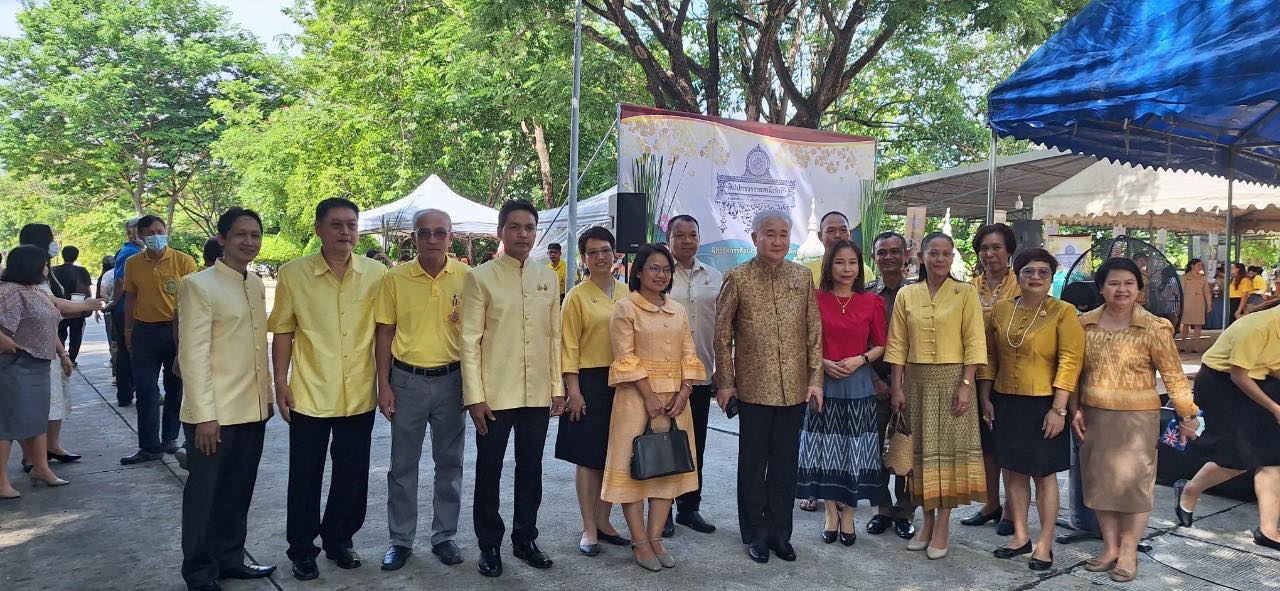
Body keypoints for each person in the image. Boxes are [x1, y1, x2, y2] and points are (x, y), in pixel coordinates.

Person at [269, 198, 386, 580]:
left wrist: (384, 384)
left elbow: (384, 332)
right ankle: (302, 549)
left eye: (352, 225)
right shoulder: (293, 274)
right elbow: (283, 332)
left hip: (359, 391)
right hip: (310, 390)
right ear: (318, 228)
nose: (346, 232)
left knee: (352, 473)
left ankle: (340, 540)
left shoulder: (376, 274)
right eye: (337, 225)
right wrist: (280, 382)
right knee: (305, 474)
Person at [1071, 257, 1199, 583]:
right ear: (1101, 288)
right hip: (1094, 415)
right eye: (1113, 283)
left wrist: (1187, 414)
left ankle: (1129, 549)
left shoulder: (1154, 327)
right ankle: (1110, 547)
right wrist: (1073, 409)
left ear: (1139, 289)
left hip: (1137, 418)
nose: (1121, 289)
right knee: (1100, 485)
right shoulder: (1083, 324)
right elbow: (1072, 372)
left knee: (1134, 487)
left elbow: (1173, 374)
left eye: (1129, 283)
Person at [714, 209, 823, 564]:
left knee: (785, 466)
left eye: (783, 234)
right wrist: (725, 384)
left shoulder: (802, 277)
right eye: (770, 234)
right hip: (753, 388)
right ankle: (756, 533)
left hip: (793, 388)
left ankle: (780, 533)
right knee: (752, 464)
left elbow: (814, 335)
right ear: (755, 237)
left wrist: (815, 381)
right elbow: (722, 336)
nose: (778, 241)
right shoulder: (738, 277)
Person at [461, 199, 562, 577]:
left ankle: (525, 538)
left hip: (536, 393)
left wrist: (556, 388)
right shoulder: (481, 276)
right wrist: (475, 397)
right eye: (515, 227)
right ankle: (489, 544)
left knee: (530, 468)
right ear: (501, 232)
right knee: (489, 469)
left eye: (529, 227)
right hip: (494, 396)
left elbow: (554, 336)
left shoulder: (547, 276)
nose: (523, 234)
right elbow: (469, 341)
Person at [177, 208, 276, 591]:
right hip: (214, 414)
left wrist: (265, 400)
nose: (249, 242)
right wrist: (204, 416)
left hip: (251, 410)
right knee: (205, 496)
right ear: (222, 239)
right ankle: (200, 572)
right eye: (241, 235)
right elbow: (193, 355)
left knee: (238, 490)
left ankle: (231, 558)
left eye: (255, 235)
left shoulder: (252, 284)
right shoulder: (198, 285)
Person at [977, 248, 1084, 571]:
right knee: (1012, 471)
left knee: (1044, 476)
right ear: (1017, 274)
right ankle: (1020, 536)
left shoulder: (1063, 312)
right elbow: (991, 358)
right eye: (1028, 271)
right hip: (1006, 401)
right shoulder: (1000, 310)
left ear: (1051, 277)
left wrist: (1059, 409)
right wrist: (985, 398)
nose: (1035, 277)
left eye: (1042, 272)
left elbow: (1070, 361)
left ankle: (1044, 544)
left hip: (1045, 403)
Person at [600, 243, 704, 571]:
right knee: (635, 472)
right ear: (639, 272)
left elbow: (690, 352)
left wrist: (684, 392)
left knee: (667, 470)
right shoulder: (626, 308)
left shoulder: (677, 309)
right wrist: (648, 395)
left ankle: (656, 537)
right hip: (635, 400)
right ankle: (639, 540)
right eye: (654, 268)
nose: (661, 274)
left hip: (675, 402)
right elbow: (624, 356)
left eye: (666, 269)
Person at [374, 209, 469, 571]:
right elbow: (384, 334)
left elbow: (477, 336)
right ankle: (400, 540)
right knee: (402, 465)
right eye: (424, 233)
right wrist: (383, 385)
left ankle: (444, 535)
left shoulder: (467, 277)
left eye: (439, 233)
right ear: (413, 236)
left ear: (451, 236)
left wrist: (472, 387)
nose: (432, 239)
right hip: (407, 381)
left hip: (453, 382)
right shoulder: (394, 279)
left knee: (449, 463)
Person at [885, 232, 987, 559]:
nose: (940, 259)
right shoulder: (907, 294)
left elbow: (974, 340)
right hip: (915, 383)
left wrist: (966, 385)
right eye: (934, 253)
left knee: (947, 455)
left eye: (946, 253)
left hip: (953, 381)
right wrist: (897, 387)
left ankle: (943, 524)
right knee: (921, 456)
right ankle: (925, 521)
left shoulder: (965, 292)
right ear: (921, 256)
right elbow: (897, 344)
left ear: (952, 256)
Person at [796, 239, 887, 546]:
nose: (847, 269)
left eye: (852, 263)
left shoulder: (871, 302)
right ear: (829, 266)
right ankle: (830, 513)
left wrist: (860, 359)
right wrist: (822, 362)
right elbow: (803, 340)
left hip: (858, 384)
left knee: (853, 453)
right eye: (839, 262)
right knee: (824, 450)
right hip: (822, 385)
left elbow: (880, 345)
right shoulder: (815, 299)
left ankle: (848, 513)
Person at [1176, 304, 1280, 551]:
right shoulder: (1259, 326)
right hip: (1222, 384)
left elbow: (1274, 367)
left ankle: (1268, 530)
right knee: (1238, 457)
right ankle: (1189, 490)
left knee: (1273, 456)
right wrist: (1275, 408)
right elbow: (1239, 375)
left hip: (1260, 379)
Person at [553, 226, 630, 556]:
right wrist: (574, 390)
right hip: (588, 382)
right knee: (588, 458)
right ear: (583, 259)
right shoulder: (576, 297)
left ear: (615, 254)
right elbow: (567, 345)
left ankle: (604, 520)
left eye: (605, 250)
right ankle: (588, 527)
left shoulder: (628, 292)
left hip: (624, 382)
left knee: (615, 455)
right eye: (593, 252)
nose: (600, 256)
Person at [119, 215, 197, 465]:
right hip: (144, 332)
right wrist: (128, 331)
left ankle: (170, 438)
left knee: (175, 387)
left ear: (166, 232)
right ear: (140, 236)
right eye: (150, 232)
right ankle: (149, 446)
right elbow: (130, 298)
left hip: (175, 331)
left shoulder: (183, 261)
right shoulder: (133, 263)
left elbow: (194, 301)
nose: (155, 236)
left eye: (159, 230)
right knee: (146, 390)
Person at [18, 225, 97, 467]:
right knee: (34, 405)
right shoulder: (27, 279)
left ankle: (46, 449)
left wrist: (62, 353)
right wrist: (87, 305)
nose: (55, 245)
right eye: (52, 239)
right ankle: (34, 457)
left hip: (48, 345)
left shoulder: (42, 273)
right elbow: (54, 305)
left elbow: (50, 315)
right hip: (30, 353)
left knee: (53, 399)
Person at [0, 245, 73, 497]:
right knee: (7, 423)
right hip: (14, 365)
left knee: (37, 420)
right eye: (43, 264)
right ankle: (1, 482)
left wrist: (63, 354)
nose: (46, 268)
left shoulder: (35, 291)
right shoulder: (9, 293)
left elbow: (51, 322)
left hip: (38, 364)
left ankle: (41, 468)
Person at [666, 214, 723, 535]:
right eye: (680, 235)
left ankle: (689, 507)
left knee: (693, 443)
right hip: (663, 377)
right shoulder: (657, 274)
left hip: (699, 374)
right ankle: (662, 508)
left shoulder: (714, 277)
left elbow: (722, 330)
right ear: (668, 237)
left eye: (692, 234)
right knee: (662, 440)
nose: (687, 240)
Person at [964, 223, 1019, 536]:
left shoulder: (1023, 283)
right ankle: (990, 503)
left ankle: (1012, 509)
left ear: (1009, 251)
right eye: (984, 248)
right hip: (976, 373)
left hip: (1013, 375)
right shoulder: (969, 287)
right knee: (985, 444)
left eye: (996, 247)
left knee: (1008, 443)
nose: (989, 254)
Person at [797, 211, 852, 514]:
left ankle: (840, 488)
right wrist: (818, 361)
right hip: (817, 364)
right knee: (814, 431)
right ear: (821, 236)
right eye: (831, 230)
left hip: (852, 366)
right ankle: (813, 489)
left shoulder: (862, 268)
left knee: (844, 434)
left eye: (843, 229)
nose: (838, 234)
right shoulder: (808, 271)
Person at [865, 231, 918, 539]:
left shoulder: (917, 294)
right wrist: (875, 380)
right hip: (874, 384)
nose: (888, 257)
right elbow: (859, 340)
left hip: (910, 383)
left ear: (905, 255)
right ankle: (882, 509)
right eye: (882, 252)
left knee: (905, 450)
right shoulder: (867, 294)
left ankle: (904, 511)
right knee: (872, 450)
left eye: (894, 251)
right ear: (875, 258)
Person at [108, 217, 143, 407]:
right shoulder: (129, 253)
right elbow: (120, 281)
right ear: (130, 232)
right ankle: (128, 392)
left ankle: (127, 393)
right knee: (129, 351)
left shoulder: (136, 251)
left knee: (126, 351)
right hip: (126, 309)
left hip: (129, 308)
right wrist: (114, 301)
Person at [52, 246, 92, 364]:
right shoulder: (82, 271)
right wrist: (88, 305)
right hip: (77, 309)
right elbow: (87, 290)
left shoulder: (54, 270)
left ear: (62, 255)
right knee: (76, 335)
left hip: (59, 308)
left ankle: (61, 357)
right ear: (76, 256)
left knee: (60, 333)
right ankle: (72, 359)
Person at [1179, 259, 1212, 348]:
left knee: (1198, 324)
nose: (1200, 267)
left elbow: (1206, 292)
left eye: (1202, 265)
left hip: (1199, 302)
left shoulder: (1203, 277)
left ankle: (1196, 345)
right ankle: (1183, 344)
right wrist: (1180, 304)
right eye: (1199, 265)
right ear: (1192, 266)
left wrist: (1209, 304)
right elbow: (1181, 292)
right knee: (1186, 323)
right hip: (1187, 301)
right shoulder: (1185, 277)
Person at [96, 255, 117, 380]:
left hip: (110, 312)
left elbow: (102, 294)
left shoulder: (107, 275)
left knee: (114, 343)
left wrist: (109, 303)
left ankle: (116, 374)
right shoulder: (132, 270)